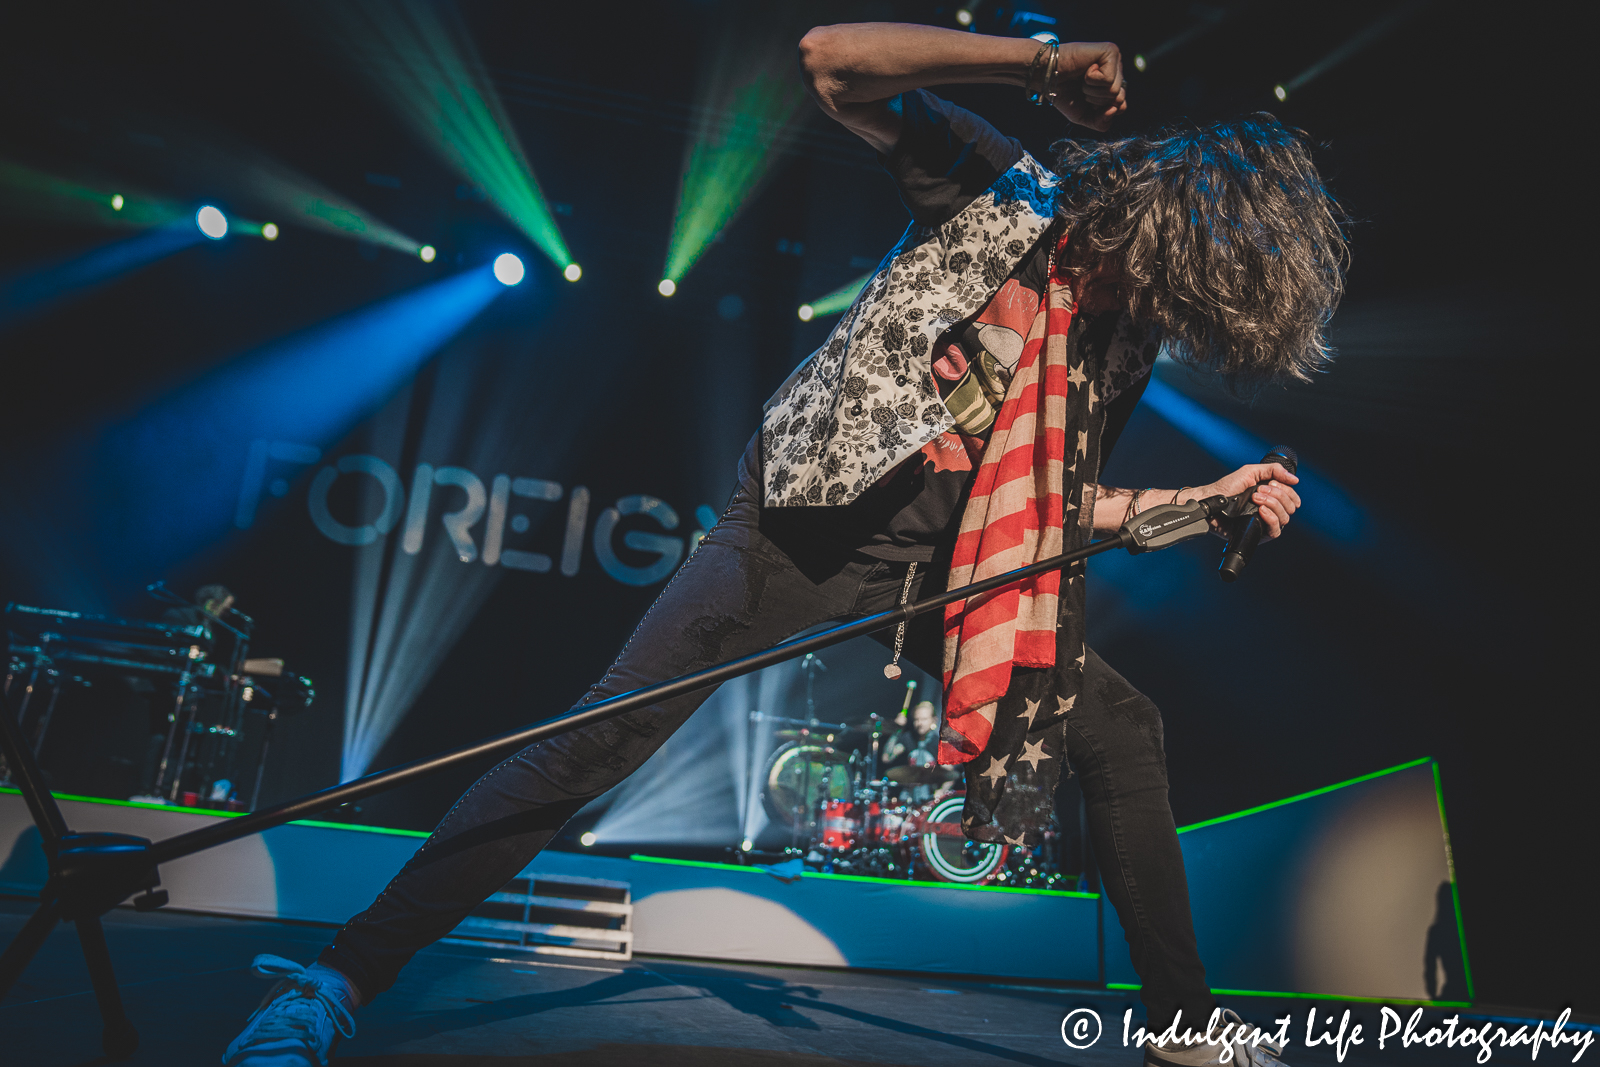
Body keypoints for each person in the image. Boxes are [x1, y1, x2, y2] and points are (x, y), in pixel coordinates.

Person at [224, 22, 1341, 1067]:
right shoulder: (1002, 190)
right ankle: (334, 979)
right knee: (593, 745)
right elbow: (828, 60)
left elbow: (1056, 501)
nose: (1160, 311)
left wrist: (1208, 498)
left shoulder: (1117, 340)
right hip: (801, 532)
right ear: (1168, 223)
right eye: (1175, 283)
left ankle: (1183, 1027)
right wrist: (1035, 64)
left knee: (1120, 725)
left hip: (943, 576)